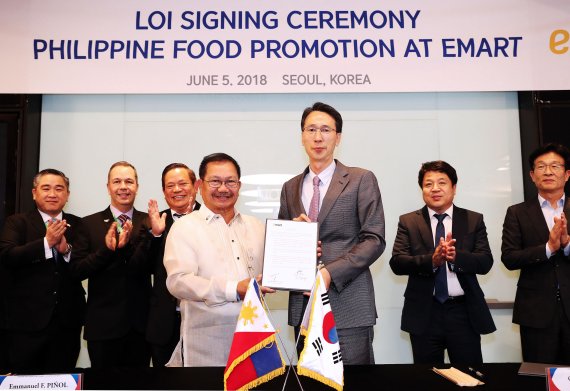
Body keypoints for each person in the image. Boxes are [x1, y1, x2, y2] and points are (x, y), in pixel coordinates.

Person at [278, 102, 385, 365]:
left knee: (354, 383)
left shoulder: (361, 179)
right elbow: (282, 244)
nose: (318, 137)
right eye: (311, 129)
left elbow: (374, 239)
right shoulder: (290, 187)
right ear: (301, 136)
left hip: (347, 302)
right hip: (303, 306)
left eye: (325, 130)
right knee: (309, 381)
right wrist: (292, 238)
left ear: (338, 137)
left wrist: (328, 274)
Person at [163, 153, 273, 366]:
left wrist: (297, 240)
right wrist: (234, 289)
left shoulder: (256, 226)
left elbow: (276, 267)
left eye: (230, 181)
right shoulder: (185, 227)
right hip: (205, 348)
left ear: (239, 185)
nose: (223, 188)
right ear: (199, 185)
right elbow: (178, 281)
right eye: (215, 181)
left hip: (254, 342)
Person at [389, 160, 496, 365]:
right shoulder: (409, 221)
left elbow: (485, 262)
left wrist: (457, 257)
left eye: (442, 183)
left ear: (454, 188)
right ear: (422, 189)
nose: (435, 189)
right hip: (424, 312)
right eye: (428, 184)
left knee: (468, 376)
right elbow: (397, 262)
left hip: (463, 312)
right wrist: (433, 261)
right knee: (427, 380)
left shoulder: (473, 219)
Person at [0, 169, 86, 373]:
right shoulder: (17, 222)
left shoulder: (79, 224)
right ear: (34, 193)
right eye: (46, 188)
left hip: (67, 323)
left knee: (62, 379)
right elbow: (7, 255)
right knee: (24, 379)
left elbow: (84, 265)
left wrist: (66, 250)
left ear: (67, 194)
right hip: (26, 323)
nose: (52, 194)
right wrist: (47, 243)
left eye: (59, 189)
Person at [73, 161, 152, 368]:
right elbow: (77, 270)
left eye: (129, 181)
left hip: (141, 326)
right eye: (117, 181)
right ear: (108, 187)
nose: (123, 186)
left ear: (137, 186)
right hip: (103, 327)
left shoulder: (149, 222)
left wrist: (156, 235)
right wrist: (107, 251)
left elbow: (152, 267)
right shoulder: (88, 224)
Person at [501, 143, 570, 365]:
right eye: (541, 166)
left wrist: (567, 245)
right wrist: (548, 248)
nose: (548, 172)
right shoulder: (517, 213)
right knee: (538, 377)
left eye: (555, 166)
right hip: (536, 313)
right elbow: (509, 258)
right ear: (532, 175)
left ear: (567, 174)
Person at [145, 163, 200, 367]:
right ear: (164, 191)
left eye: (182, 183)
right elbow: (142, 268)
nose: (177, 190)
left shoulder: (213, 217)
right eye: (170, 186)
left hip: (203, 318)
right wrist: (156, 235)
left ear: (195, 186)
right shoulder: (153, 222)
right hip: (164, 322)